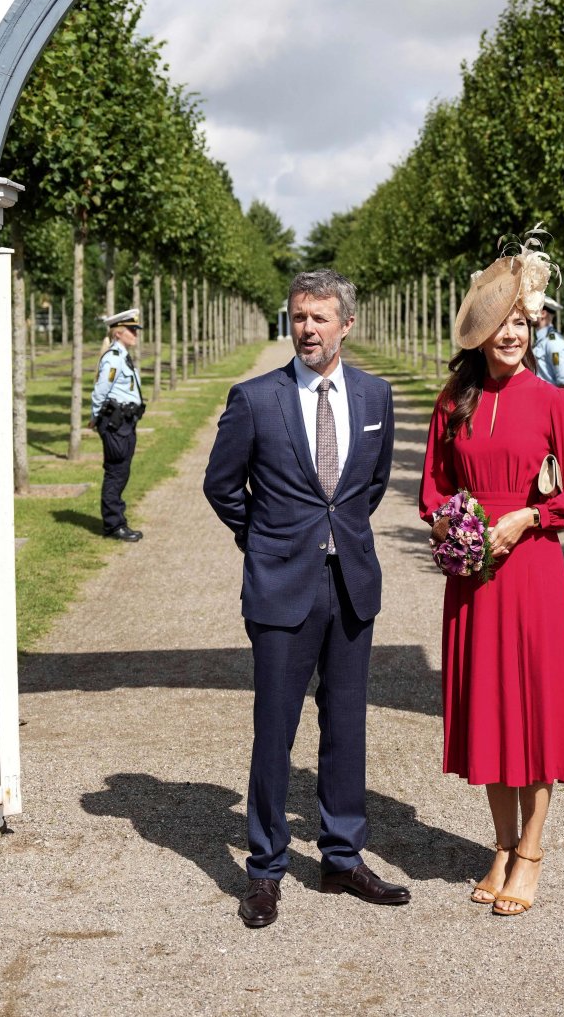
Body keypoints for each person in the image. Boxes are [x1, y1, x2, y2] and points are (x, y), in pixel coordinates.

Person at [203, 268, 408, 928]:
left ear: (347, 324)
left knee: (346, 724)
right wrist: (265, 539)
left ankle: (342, 856)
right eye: (298, 317)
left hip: (351, 581)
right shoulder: (255, 398)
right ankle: (264, 869)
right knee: (275, 728)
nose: (308, 328)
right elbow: (221, 485)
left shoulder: (377, 397)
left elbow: (368, 487)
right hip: (280, 585)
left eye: (320, 317)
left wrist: (334, 534)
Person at [419, 238, 564, 917]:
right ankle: (499, 843)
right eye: (504, 322)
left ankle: (532, 851)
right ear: (482, 332)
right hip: (474, 580)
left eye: (524, 321)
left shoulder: (552, 401)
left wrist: (526, 517)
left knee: (536, 711)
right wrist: (448, 525)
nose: (514, 332)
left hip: (533, 572)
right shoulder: (452, 400)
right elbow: (432, 488)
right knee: (490, 711)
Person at [91, 308, 146, 542]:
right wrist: (96, 417)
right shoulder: (114, 358)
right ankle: (114, 525)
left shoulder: (122, 356)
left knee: (121, 471)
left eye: (135, 330)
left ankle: (117, 520)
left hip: (124, 422)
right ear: (118, 334)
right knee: (116, 473)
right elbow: (100, 391)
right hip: (115, 424)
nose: (135, 334)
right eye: (131, 330)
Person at [534, 297, 564, 399]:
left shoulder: (553, 344)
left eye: (533, 310)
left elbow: (563, 379)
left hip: (549, 402)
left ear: (543, 314)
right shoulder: (542, 340)